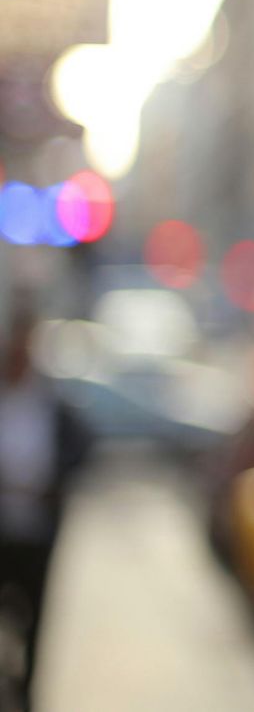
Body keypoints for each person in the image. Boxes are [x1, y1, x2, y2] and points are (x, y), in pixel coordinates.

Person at [0, 291, 92, 710]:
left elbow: (80, 447)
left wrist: (52, 485)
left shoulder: (51, 401)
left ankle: (25, 694)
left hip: (37, 530)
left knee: (35, 619)